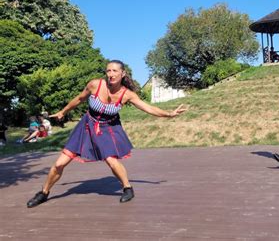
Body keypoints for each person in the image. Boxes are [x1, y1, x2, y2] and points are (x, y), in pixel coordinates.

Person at [26, 60, 187, 208]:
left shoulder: (127, 94)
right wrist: (63, 111)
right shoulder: (95, 85)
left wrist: (169, 114)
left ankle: (127, 188)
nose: (111, 74)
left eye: (115, 70)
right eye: (108, 70)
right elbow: (80, 98)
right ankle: (44, 193)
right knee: (60, 163)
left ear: (122, 73)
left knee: (111, 160)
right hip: (87, 126)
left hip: (109, 127)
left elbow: (149, 108)